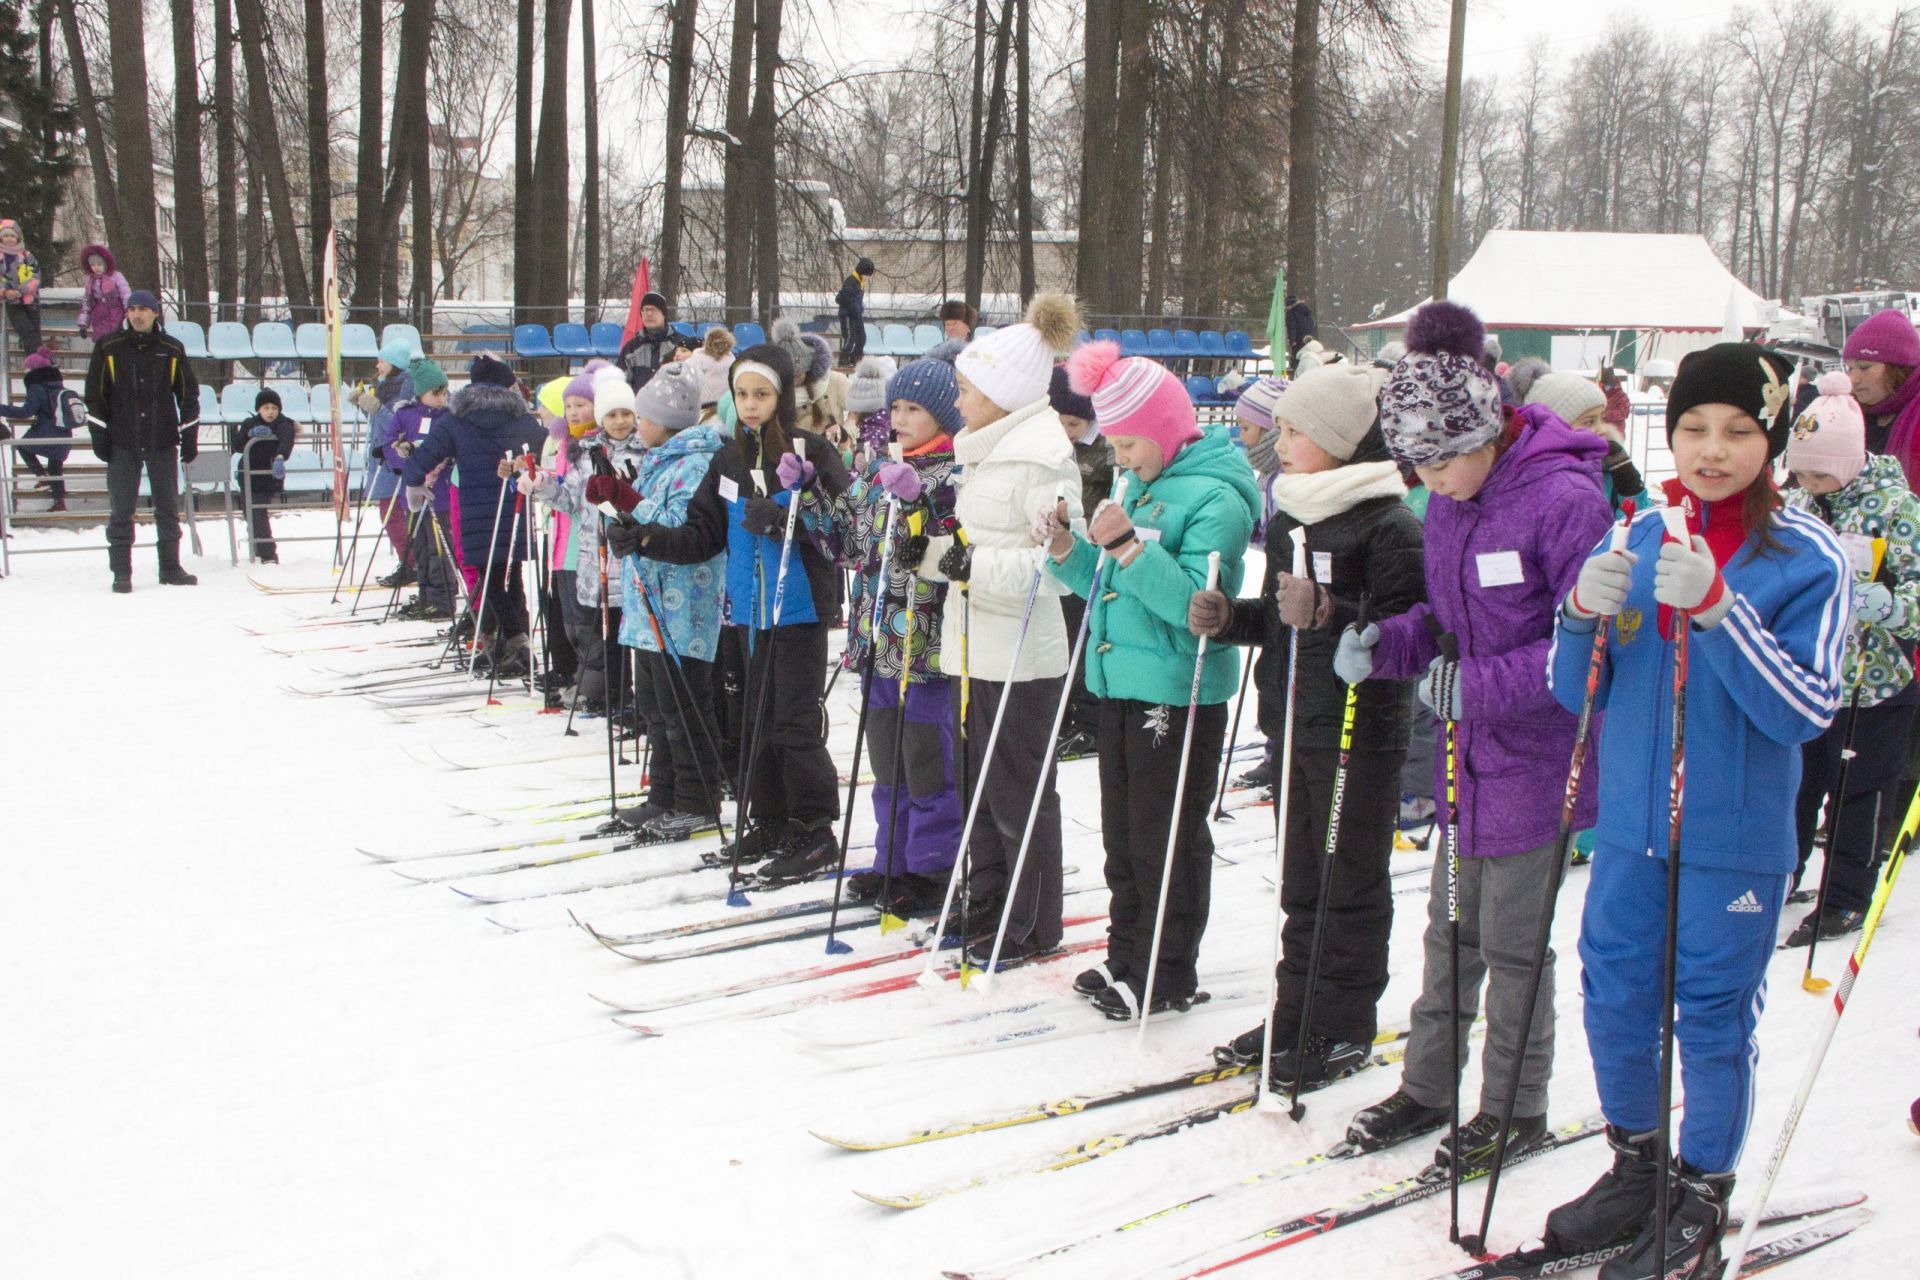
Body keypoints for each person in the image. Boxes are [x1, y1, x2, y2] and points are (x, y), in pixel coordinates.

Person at [1535, 343, 1847, 1280]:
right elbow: (1570, 693)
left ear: (1772, 440)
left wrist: (1720, 609)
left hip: (1732, 838)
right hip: (1629, 828)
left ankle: (1702, 1192)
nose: (1712, 450)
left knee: (1710, 1018)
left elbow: (1806, 708)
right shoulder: (1632, 535)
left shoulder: (1805, 555)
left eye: (1739, 431)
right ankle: (1637, 1163)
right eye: (1694, 429)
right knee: (1617, 997)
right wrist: (1579, 617)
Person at [1335, 301, 1612, 1171]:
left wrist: (1474, 686)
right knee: (1450, 932)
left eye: (1442, 459)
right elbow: (1449, 623)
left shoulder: (1562, 501)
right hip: (1469, 766)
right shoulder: (1452, 502)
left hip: (1539, 761)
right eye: (1414, 463)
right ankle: (1427, 1085)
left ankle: (1514, 1106)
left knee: (1514, 945)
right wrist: (1388, 644)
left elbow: (1593, 648)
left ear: (1486, 429)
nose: (1429, 480)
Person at [1193, 361, 1424, 1081]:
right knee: (1301, 879)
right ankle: (1295, 1010)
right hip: (1293, 718)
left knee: (1347, 877)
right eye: (1282, 428)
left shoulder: (1388, 522)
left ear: (1341, 440)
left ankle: (1344, 1021)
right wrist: (1234, 618)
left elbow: (1406, 628)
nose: (1280, 441)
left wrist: (1331, 612)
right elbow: (1281, 622)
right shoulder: (1294, 512)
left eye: (1296, 431)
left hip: (1360, 728)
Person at [1041, 340, 1259, 1020]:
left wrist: (1128, 546)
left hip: (1174, 688)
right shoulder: (1140, 484)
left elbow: (1197, 609)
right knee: (1121, 835)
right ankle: (1127, 951)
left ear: (1163, 430)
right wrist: (1068, 552)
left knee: (1164, 833)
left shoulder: (1216, 499)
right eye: (1116, 444)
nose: (1122, 458)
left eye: (1131, 442)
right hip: (1117, 680)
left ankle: (1167, 968)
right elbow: (1109, 584)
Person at [916, 291, 1085, 967]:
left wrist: (957, 561)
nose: (958, 403)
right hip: (972, 644)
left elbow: (1058, 572)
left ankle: (1031, 923)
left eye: (966, 390)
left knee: (1017, 792)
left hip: (1021, 655)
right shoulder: (989, 449)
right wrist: (928, 552)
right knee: (978, 790)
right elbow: (974, 545)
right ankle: (987, 904)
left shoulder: (1043, 456)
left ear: (1003, 393)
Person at [805, 356, 965, 917]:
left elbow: (953, 553)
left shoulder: (956, 475)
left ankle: (933, 866)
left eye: (913, 409)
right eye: (895, 406)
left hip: (924, 646)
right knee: (887, 761)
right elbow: (848, 546)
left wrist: (920, 501)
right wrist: (812, 497)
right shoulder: (878, 472)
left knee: (927, 760)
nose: (898, 418)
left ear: (944, 415)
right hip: (877, 644)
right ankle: (891, 858)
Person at [1782, 371, 1920, 943]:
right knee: (1795, 784)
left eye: (1822, 472)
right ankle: (1779, 874)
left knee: (1858, 794)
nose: (1810, 484)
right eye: (1801, 471)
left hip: (1878, 684)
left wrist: (1881, 603)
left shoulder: (1898, 508)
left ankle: (1845, 897)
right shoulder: (1795, 502)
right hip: (1808, 675)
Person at [706, 344, 853, 878]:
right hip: (747, 610)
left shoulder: (809, 449)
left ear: (781, 397)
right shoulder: (727, 458)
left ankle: (815, 828)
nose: (750, 405)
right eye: (741, 394)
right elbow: (702, 530)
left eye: (761, 395)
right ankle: (769, 817)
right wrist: (646, 536)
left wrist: (788, 514)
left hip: (797, 608)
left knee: (793, 723)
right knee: (754, 719)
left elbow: (846, 523)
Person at [594, 362, 732, 845]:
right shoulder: (659, 458)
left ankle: (698, 799)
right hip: (647, 605)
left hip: (683, 608)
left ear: (664, 420)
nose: (637, 424)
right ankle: (665, 793)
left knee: (684, 707)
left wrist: (631, 505)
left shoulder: (695, 461)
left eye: (643, 416)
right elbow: (644, 519)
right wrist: (621, 519)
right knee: (655, 705)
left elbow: (680, 525)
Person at [403, 354, 546, 675]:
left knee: (490, 579)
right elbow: (544, 446)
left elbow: (425, 455)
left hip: (475, 508)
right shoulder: (519, 418)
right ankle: (502, 642)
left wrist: (414, 483)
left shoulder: (457, 419)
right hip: (513, 505)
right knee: (505, 579)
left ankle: (517, 644)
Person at [524, 366, 644, 716]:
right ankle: (615, 694)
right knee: (608, 637)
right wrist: (544, 487)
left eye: (625, 414)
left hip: (633, 559)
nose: (619, 422)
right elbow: (570, 501)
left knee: (636, 634)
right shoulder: (588, 454)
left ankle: (636, 698)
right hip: (598, 561)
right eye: (612, 415)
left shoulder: (645, 453)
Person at [83, 289, 201, 592]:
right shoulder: (108, 346)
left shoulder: (172, 349)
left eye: (143, 309)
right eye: (132, 308)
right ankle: (121, 573)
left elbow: (188, 395)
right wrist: (99, 435)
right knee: (121, 509)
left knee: (167, 508)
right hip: (122, 442)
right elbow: (94, 396)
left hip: (162, 440)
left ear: (155, 314)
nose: (137, 314)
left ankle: (171, 568)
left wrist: (190, 437)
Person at [1049, 362, 1112, 762]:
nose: (1066, 431)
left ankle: (1090, 724)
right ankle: (1069, 716)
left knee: (1085, 638)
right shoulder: (1056, 447)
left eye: (1072, 423)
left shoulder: (1105, 451)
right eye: (1060, 423)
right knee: (1065, 639)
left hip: (1092, 558)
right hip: (1063, 555)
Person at [1526, 370, 1650, 516]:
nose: (1602, 429)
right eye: (1589, 422)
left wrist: (1631, 488)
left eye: (1602, 419)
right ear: (1555, 428)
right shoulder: (1538, 478)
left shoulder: (1608, 463)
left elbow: (1638, 531)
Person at [387, 360, 456, 620]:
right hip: (413, 492)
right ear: (421, 393)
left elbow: (453, 447)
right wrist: (401, 455)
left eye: (444, 392)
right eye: (435, 393)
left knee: (438, 546)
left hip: (440, 494)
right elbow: (389, 444)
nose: (441, 398)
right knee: (419, 545)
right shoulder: (405, 414)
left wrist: (443, 460)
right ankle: (426, 594)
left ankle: (443, 598)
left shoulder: (449, 417)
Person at [358, 339, 420, 584]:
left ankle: (412, 562)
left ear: (394, 363)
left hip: (395, 459)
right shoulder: (385, 385)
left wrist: (374, 408)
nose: (378, 364)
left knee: (392, 513)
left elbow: (397, 424)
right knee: (391, 512)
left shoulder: (405, 386)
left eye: (382, 360)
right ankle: (410, 561)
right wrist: (364, 405)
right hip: (383, 457)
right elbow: (378, 421)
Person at [1843, 308, 1920, 486]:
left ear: (1898, 368)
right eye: (1849, 368)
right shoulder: (1849, 413)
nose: (1853, 379)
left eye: (1864, 366)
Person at [1, 347, 79, 511]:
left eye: (27, 368)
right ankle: (59, 502)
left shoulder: (37, 387)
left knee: (23, 447)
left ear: (34, 370)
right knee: (55, 467)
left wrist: (2, 409)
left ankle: (42, 478)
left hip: (46, 430)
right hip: (63, 431)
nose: (25, 371)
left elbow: (26, 412)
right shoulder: (57, 384)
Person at [227, 388, 298, 562]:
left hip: (267, 475)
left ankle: (267, 554)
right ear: (259, 409)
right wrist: (249, 434)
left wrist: (280, 457)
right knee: (249, 513)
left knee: (257, 511)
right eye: (266, 408)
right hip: (248, 475)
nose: (270, 412)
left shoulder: (284, 423)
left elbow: (286, 438)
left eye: (274, 408)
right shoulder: (249, 423)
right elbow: (236, 444)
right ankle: (259, 548)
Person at [618, 291, 678, 391]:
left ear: (664, 314)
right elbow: (620, 383)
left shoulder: (680, 345)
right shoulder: (631, 348)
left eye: (654, 310)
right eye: (645, 310)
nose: (649, 314)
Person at [75, 243, 130, 344]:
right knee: (101, 342)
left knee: (116, 340)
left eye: (99, 264)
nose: (96, 268)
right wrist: (83, 323)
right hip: (99, 317)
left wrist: (129, 314)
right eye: (93, 265)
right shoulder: (91, 280)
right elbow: (87, 302)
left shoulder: (116, 277)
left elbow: (126, 295)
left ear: (105, 264)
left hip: (115, 313)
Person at [0, 219, 41, 355]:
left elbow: (36, 276)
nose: (9, 239)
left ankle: (41, 366)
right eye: (5, 236)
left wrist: (21, 290)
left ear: (18, 237)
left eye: (12, 236)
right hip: (12, 303)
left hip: (31, 301)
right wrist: (5, 291)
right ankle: (36, 364)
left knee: (35, 333)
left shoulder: (26, 255)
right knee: (27, 332)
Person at [836, 256, 874, 364]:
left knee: (862, 337)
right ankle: (844, 358)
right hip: (848, 315)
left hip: (856, 315)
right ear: (862, 272)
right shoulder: (851, 281)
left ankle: (855, 356)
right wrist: (854, 309)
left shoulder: (859, 282)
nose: (868, 278)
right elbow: (846, 298)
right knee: (850, 337)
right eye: (867, 275)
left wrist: (859, 310)